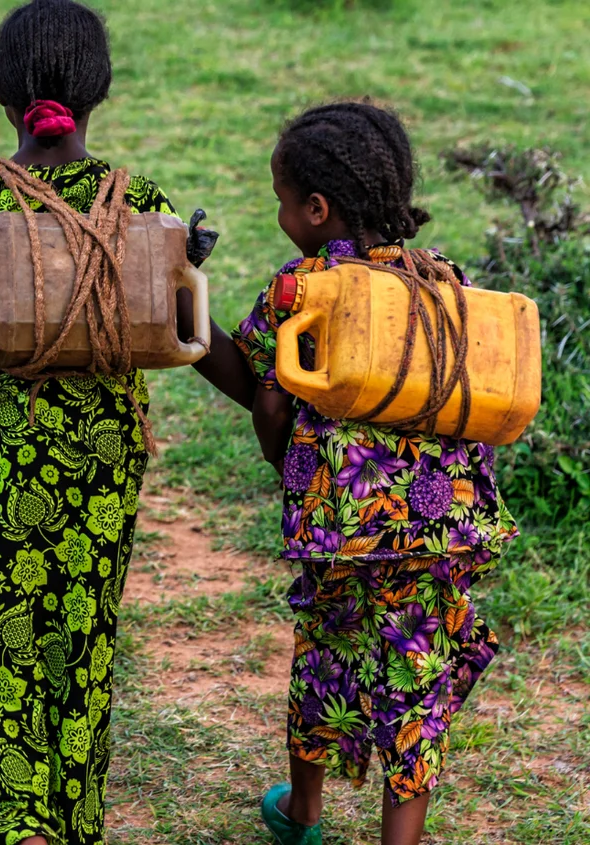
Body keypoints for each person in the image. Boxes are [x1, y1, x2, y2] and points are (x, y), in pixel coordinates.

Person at [0, 2, 252, 843]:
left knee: (0, 629)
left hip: (5, 458)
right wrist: (268, 397)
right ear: (98, 90)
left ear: (0, 90)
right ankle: (73, 814)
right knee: (83, 629)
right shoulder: (138, 200)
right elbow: (186, 333)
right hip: (103, 460)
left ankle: (17, 818)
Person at [232, 100, 518, 845]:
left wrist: (277, 451)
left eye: (284, 204)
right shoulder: (442, 279)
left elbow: (265, 391)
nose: (282, 219)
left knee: (324, 655)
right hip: (437, 522)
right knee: (416, 681)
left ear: (319, 209)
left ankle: (303, 814)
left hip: (345, 532)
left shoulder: (305, 288)